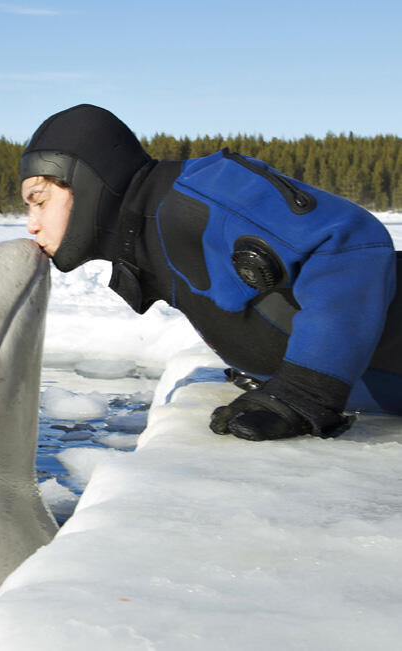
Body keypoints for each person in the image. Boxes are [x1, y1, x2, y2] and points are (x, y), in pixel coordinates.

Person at [21, 104, 401, 441]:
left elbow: (351, 241)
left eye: (39, 201)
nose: (31, 225)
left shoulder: (197, 195)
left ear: (86, 183)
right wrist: (275, 374)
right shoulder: (149, 237)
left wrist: (305, 389)